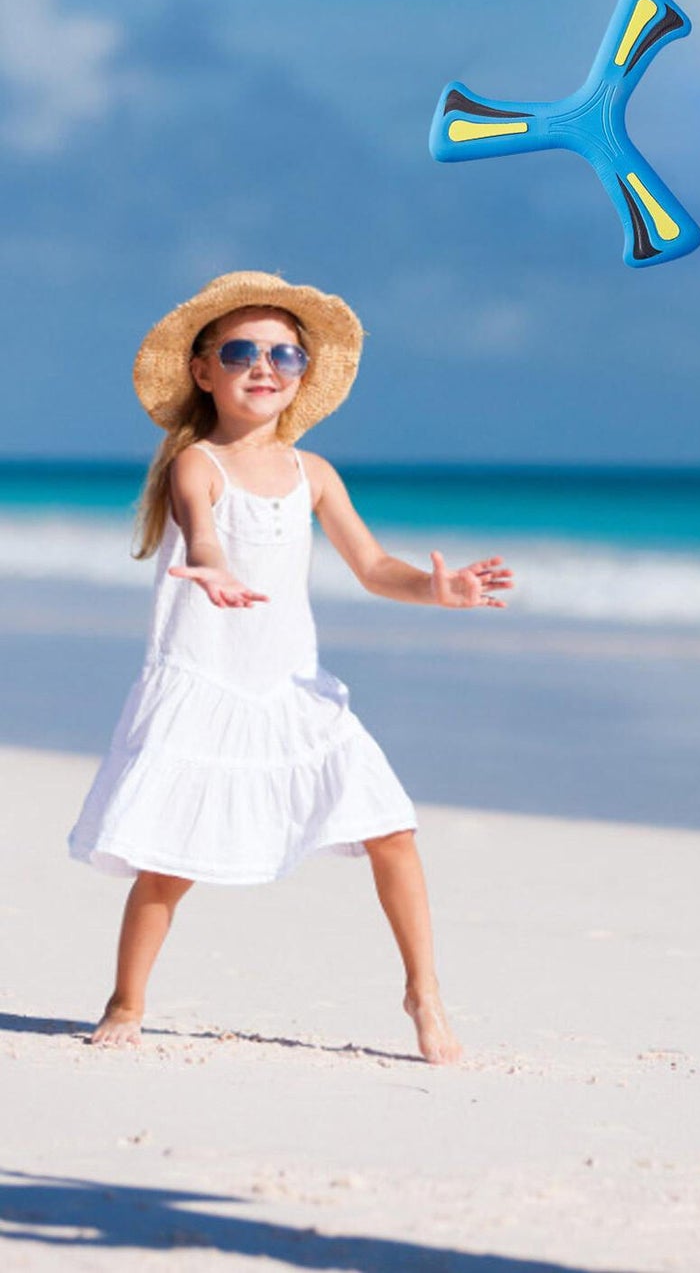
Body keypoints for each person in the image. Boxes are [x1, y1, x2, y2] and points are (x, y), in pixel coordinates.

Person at [68, 270, 514, 1066]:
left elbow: (374, 567)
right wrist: (211, 565)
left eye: (284, 352)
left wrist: (437, 589)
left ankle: (424, 994)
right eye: (240, 349)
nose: (263, 364)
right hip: (206, 682)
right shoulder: (197, 462)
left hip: (292, 689)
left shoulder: (316, 475)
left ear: (303, 373)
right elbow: (203, 531)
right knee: (169, 865)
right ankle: (126, 1000)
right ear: (204, 370)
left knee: (393, 831)